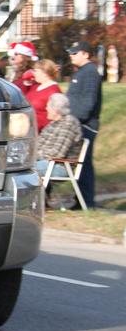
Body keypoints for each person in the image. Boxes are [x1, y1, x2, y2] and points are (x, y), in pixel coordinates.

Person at [65, 41, 102, 209]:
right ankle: (80, 199)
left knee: (84, 164)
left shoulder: (90, 73)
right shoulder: (81, 72)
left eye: (75, 53)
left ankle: (87, 201)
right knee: (78, 164)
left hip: (85, 125)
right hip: (77, 123)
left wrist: (75, 119)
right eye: (71, 53)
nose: (71, 55)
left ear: (85, 54)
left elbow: (88, 102)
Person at [34, 93, 82, 179]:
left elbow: (57, 153)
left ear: (55, 109)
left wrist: (33, 156)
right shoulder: (53, 123)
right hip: (44, 162)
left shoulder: (69, 123)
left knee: (24, 170)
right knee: (17, 167)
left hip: (60, 166)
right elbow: (38, 145)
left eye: (48, 106)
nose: (46, 108)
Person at [24, 58, 61, 131]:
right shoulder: (35, 86)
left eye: (36, 71)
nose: (34, 73)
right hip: (26, 129)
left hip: (41, 132)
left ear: (44, 73)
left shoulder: (54, 91)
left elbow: (56, 116)